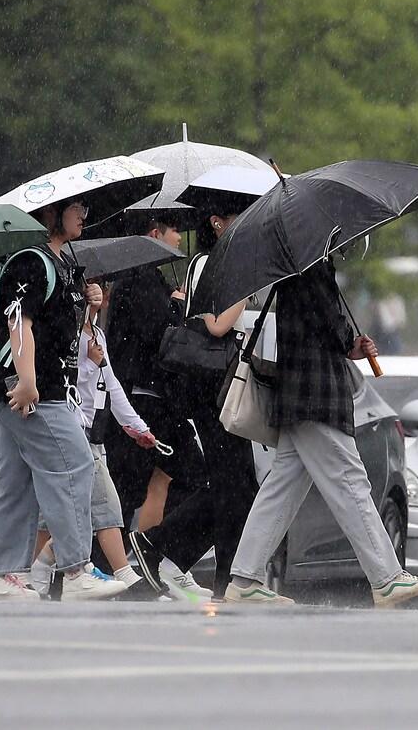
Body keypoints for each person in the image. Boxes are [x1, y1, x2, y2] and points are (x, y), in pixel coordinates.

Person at [224, 259, 418, 608]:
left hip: (298, 394)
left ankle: (245, 578)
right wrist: (349, 341)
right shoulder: (312, 266)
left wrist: (350, 343)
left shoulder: (294, 265)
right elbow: (327, 327)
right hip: (317, 396)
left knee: (281, 489)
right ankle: (386, 578)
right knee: (351, 482)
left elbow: (316, 330)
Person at [0, 198, 126, 601]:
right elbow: (16, 318)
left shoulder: (57, 264)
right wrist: (26, 380)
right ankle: (77, 570)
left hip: (36, 389)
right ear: (49, 213)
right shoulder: (30, 260)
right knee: (76, 463)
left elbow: (59, 335)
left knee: (16, 479)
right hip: (32, 391)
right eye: (77, 206)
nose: (84, 213)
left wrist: (88, 309)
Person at [129, 205, 258, 600]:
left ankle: (174, 553)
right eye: (236, 217)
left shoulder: (213, 263)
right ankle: (207, 567)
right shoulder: (212, 263)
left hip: (217, 385)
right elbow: (216, 324)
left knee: (236, 485)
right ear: (217, 222)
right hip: (210, 388)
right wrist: (246, 286)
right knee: (233, 483)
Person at [30, 281, 167, 597]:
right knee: (104, 500)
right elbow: (64, 380)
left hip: (92, 434)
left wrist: (137, 427)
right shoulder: (69, 333)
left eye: (102, 289)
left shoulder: (98, 336)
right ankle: (125, 574)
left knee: (54, 513)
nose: (102, 294)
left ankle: (38, 571)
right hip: (69, 430)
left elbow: (112, 385)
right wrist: (91, 361)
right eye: (95, 289)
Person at [105, 214, 183, 531]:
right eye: (174, 229)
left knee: (142, 482)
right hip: (139, 395)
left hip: (141, 394)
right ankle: (111, 560)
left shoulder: (144, 277)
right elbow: (157, 329)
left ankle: (133, 556)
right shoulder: (140, 278)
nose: (178, 237)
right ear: (155, 234)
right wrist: (178, 304)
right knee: (126, 486)